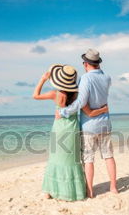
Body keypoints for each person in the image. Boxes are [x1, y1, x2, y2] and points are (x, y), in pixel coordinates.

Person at [33, 64, 108, 201]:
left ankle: (50, 191)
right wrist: (103, 110)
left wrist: (43, 79)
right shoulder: (77, 96)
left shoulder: (54, 94)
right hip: (72, 129)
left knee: (56, 159)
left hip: (59, 129)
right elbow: (90, 112)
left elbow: (35, 95)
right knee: (71, 160)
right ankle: (74, 192)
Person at [56, 48, 118, 198]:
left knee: (89, 159)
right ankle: (113, 187)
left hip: (89, 126)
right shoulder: (107, 78)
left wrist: (63, 112)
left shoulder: (85, 78)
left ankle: (90, 191)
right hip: (104, 123)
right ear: (98, 63)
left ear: (86, 64)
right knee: (108, 156)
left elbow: (82, 102)